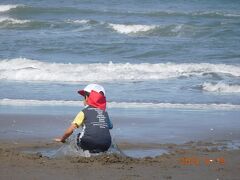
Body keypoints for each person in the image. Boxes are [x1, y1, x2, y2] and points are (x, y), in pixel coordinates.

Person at [54, 84, 113, 153]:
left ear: (87, 98)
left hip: (88, 143)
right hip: (106, 144)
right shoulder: (104, 112)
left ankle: (82, 153)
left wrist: (62, 139)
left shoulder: (84, 112)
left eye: (83, 97)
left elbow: (70, 130)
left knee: (77, 137)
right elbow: (110, 126)